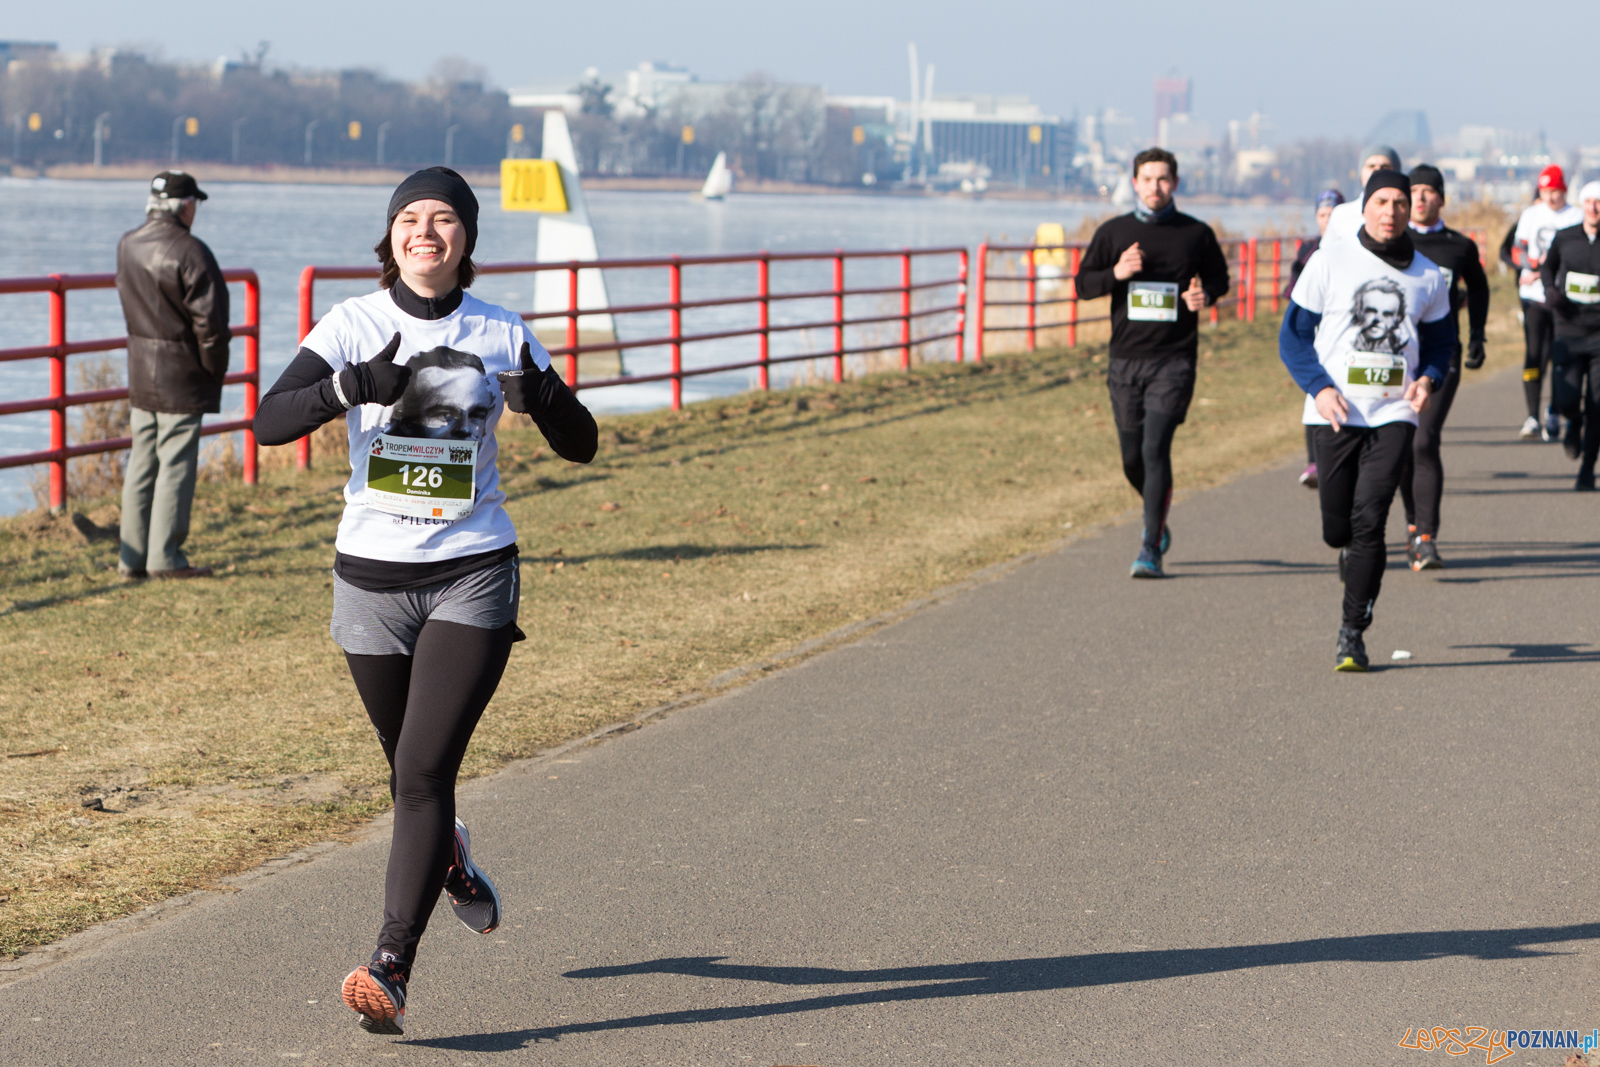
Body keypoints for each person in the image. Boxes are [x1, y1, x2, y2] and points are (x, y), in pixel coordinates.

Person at [253, 167, 598, 1035]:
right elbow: (268, 420)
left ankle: (390, 964)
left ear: (468, 239)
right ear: (391, 236)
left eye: (445, 218)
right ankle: (450, 857)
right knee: (410, 770)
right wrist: (350, 386)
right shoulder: (354, 322)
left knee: (421, 772)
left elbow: (581, 442)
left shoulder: (503, 330)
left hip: (471, 570)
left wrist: (543, 394)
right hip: (370, 578)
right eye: (411, 218)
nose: (426, 231)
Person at [1278, 169, 1453, 671]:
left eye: (1400, 202)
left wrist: (1430, 379)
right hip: (1334, 412)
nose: (1392, 210)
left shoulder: (1427, 275)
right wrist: (1320, 387)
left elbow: (1442, 343)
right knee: (1340, 528)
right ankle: (1347, 553)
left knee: (1370, 521)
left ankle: (1352, 631)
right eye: (1382, 201)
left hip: (1394, 412)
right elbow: (1293, 338)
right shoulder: (1328, 262)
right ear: (1365, 205)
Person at [1076, 147, 1231, 578]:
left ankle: (1149, 548)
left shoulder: (1195, 234)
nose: (1155, 187)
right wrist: (1117, 275)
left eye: (1163, 179)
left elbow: (1220, 278)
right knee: (1131, 458)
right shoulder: (1114, 232)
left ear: (1175, 183)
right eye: (1147, 179)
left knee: (1154, 447)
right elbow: (1083, 285)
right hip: (1126, 360)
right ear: (1135, 183)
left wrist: (1207, 296)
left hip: (1174, 359)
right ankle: (1157, 517)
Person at [115, 171, 231, 581]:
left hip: (141, 371)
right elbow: (211, 325)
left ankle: (130, 559)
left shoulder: (127, 244)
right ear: (185, 206)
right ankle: (165, 557)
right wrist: (214, 369)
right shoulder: (191, 252)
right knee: (176, 465)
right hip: (183, 373)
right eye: (194, 204)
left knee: (142, 464)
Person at [1397, 163, 1490, 569]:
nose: (1419, 197)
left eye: (1428, 191)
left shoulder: (1459, 246)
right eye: (1413, 190)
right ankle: (1412, 524)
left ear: (1441, 198)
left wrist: (1477, 337)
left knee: (1424, 439)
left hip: (1442, 356)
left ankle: (1427, 536)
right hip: (1397, 357)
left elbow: (1480, 289)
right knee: (1400, 445)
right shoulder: (1392, 243)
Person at [1510, 165, 1582, 440]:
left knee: (1558, 355)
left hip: (1563, 298)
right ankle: (1532, 415)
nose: (1550, 197)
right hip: (1533, 298)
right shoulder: (1531, 215)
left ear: (1564, 190)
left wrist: (1542, 271)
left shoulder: (1575, 216)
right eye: (1545, 191)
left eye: (1555, 191)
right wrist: (1530, 265)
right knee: (1534, 355)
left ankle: (1553, 412)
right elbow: (1517, 249)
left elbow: (1574, 259)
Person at [1539, 180, 1600, 489]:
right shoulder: (1565, 238)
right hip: (1568, 328)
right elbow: (1546, 268)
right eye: (1590, 201)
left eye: (1599, 202)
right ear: (1582, 204)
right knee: (1567, 398)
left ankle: (1587, 469)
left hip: (1599, 334)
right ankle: (1572, 423)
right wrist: (1550, 291)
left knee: (1598, 404)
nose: (1595, 207)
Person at [1287, 188, 1346, 489]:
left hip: (1342, 332)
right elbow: (1294, 290)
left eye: (1333, 213)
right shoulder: (1309, 251)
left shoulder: (1353, 249)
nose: (1328, 220)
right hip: (1314, 331)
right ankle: (1314, 461)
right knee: (1315, 392)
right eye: (1322, 215)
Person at [1320, 145, 1401, 248]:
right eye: (1371, 166)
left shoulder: (1405, 216)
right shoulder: (1341, 215)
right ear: (1360, 175)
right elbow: (1326, 254)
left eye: (1385, 167)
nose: (1377, 171)